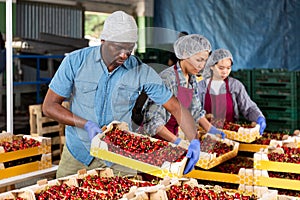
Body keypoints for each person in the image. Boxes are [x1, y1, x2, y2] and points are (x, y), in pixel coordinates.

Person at [42, 11, 200, 178]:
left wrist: (194, 141)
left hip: (121, 156)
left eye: (129, 49)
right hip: (79, 152)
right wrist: (85, 124)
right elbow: (49, 106)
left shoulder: (140, 71)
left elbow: (175, 106)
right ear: (103, 41)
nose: (124, 55)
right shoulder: (75, 62)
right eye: (118, 47)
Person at [142, 34, 226, 149]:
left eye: (205, 61)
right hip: (156, 139)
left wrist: (210, 129)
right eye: (198, 60)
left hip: (173, 135)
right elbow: (153, 121)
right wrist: (178, 142)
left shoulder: (191, 78)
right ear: (185, 54)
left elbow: (195, 110)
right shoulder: (168, 79)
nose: (202, 66)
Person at [198, 48, 266, 135]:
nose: (225, 72)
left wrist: (259, 117)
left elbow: (248, 108)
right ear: (211, 66)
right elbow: (193, 111)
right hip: (206, 134)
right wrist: (205, 117)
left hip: (231, 134)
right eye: (221, 68)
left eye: (228, 68)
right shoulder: (201, 87)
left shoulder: (235, 86)